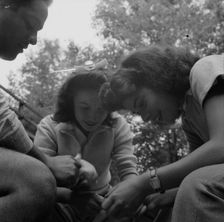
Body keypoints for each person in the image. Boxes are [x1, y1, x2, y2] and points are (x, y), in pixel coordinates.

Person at [99, 45, 224, 222]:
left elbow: (221, 146)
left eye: (141, 103)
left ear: (156, 79)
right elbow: (199, 169)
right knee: (163, 206)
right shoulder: (190, 121)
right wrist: (166, 194)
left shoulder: (204, 69)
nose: (145, 117)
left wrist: (144, 183)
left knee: (195, 186)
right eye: (137, 113)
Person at [34, 61, 138, 222]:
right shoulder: (49, 126)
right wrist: (71, 194)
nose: (92, 117)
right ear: (71, 103)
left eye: (101, 109)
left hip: (103, 201)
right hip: (59, 199)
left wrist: (129, 195)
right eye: (84, 107)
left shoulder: (118, 125)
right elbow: (36, 176)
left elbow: (128, 169)